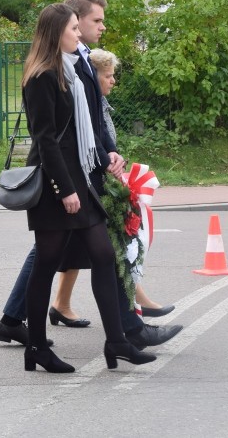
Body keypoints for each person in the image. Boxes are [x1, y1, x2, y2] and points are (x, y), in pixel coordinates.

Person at [0, 0, 181, 352]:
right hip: (70, 176)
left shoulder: (75, 61)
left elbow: (91, 118)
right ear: (69, 24)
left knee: (85, 252)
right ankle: (116, 332)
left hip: (84, 170)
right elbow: (50, 136)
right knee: (58, 254)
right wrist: (71, 184)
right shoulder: (55, 70)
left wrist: (107, 151)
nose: (96, 28)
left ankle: (113, 333)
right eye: (91, 22)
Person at [18, 3, 155, 373]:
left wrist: (105, 156)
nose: (79, 35)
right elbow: (46, 140)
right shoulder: (42, 76)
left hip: (80, 177)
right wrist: (65, 190)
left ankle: (117, 342)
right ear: (56, 33)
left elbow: (86, 125)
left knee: (103, 254)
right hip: (56, 184)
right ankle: (36, 348)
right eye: (74, 29)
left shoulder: (71, 70)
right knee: (45, 264)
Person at [89, 48, 174, 318]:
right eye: (108, 76)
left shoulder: (99, 102)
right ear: (94, 76)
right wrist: (109, 160)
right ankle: (130, 313)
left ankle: (60, 304)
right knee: (111, 245)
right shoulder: (91, 101)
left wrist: (113, 155)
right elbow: (93, 137)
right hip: (92, 183)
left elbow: (104, 137)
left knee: (75, 251)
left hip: (101, 176)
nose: (113, 80)